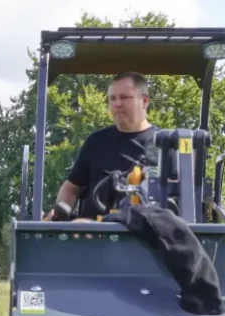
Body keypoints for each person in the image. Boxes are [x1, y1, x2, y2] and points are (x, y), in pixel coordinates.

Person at [47, 71, 157, 221]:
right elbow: (72, 187)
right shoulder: (95, 142)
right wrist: (58, 213)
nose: (117, 104)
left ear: (144, 101)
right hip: (93, 237)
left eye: (124, 97)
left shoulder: (163, 143)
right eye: (112, 98)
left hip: (145, 236)